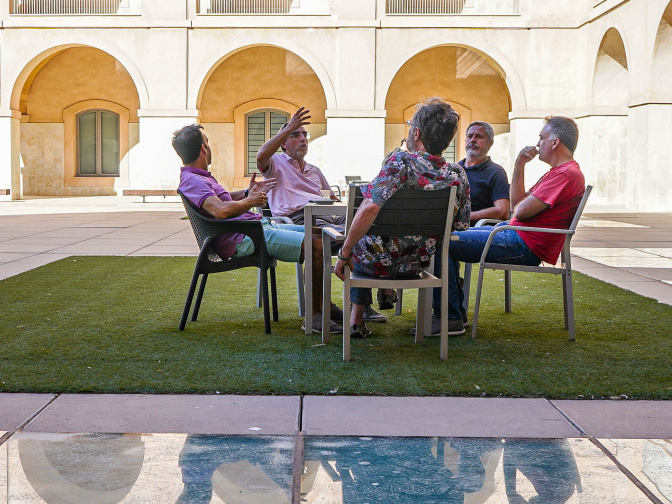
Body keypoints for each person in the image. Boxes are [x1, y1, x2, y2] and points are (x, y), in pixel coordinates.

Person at [173, 124, 341, 334]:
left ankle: (325, 306)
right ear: (203, 148)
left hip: (256, 228)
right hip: (245, 237)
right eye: (207, 142)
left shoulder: (201, 177)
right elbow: (221, 211)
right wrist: (251, 200)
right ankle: (314, 316)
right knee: (316, 244)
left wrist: (247, 193)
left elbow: (223, 199)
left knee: (323, 235)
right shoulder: (193, 181)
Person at [432, 116, 586, 335]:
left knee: (442, 241)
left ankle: (450, 318)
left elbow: (519, 211)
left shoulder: (565, 174)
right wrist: (519, 164)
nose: (538, 143)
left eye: (541, 138)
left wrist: (518, 210)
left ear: (555, 142)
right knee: (450, 235)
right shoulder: (559, 172)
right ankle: (454, 313)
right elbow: (517, 205)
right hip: (515, 235)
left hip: (523, 243)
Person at [332, 98, 470, 338]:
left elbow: (368, 209)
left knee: (356, 243)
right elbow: (460, 225)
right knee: (371, 241)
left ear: (416, 133)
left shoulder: (401, 162)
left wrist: (344, 252)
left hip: (376, 263)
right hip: (418, 264)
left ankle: (357, 317)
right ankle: (382, 297)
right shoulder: (457, 173)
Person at [256, 107, 385, 324]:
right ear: (283, 143)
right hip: (296, 220)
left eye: (304, 134)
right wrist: (289, 126)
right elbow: (260, 156)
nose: (302, 138)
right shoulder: (275, 164)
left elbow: (331, 198)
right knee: (349, 234)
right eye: (295, 135)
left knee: (367, 226)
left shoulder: (315, 170)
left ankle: (361, 305)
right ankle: (328, 309)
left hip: (328, 218)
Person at [460, 121, 510, 223]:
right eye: (470, 136)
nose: (473, 140)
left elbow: (502, 211)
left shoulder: (496, 172)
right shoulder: (454, 169)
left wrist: (466, 217)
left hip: (477, 231)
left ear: (490, 143)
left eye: (479, 136)